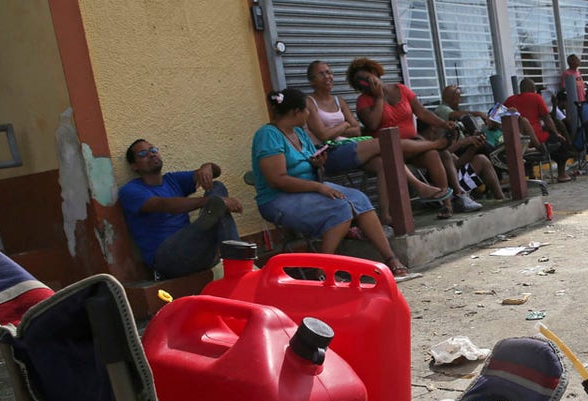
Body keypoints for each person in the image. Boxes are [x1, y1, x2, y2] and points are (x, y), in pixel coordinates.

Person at [252, 88, 408, 275]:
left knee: (359, 199)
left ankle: (390, 258)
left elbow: (310, 166)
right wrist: (319, 188)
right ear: (296, 112)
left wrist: (318, 164)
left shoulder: (300, 133)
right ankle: (323, 269)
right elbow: (277, 180)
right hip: (278, 198)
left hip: (309, 189)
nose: (310, 114)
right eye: (307, 110)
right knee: (341, 208)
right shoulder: (268, 135)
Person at [304, 60, 453, 221]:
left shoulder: (339, 101)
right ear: (312, 81)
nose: (328, 76)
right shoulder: (309, 102)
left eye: (329, 72)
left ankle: (386, 217)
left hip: (353, 147)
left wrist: (342, 128)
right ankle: (424, 177)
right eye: (322, 73)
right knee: (387, 142)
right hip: (329, 153)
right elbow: (324, 135)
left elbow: (356, 130)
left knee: (385, 163)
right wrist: (345, 124)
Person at [348, 58, 482, 218]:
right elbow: (373, 123)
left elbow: (422, 112)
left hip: (413, 147)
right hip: (388, 150)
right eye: (360, 83)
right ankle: (436, 144)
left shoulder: (401, 90)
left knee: (433, 154)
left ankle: (447, 204)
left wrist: (443, 124)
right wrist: (378, 98)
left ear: (375, 73)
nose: (365, 84)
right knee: (426, 148)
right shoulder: (363, 101)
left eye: (367, 78)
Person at [118, 140, 242, 279]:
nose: (151, 155)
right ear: (134, 166)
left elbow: (215, 172)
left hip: (196, 250)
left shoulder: (172, 180)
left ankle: (236, 261)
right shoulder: (130, 191)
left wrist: (207, 167)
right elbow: (164, 205)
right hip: (167, 259)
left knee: (216, 187)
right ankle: (239, 263)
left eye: (153, 150)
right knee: (217, 205)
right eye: (143, 154)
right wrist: (211, 202)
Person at [505, 78, 573, 182]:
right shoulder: (536, 97)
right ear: (533, 89)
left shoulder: (509, 100)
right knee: (560, 143)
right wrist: (557, 133)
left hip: (518, 139)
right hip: (536, 138)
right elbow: (547, 118)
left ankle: (531, 172)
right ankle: (561, 174)